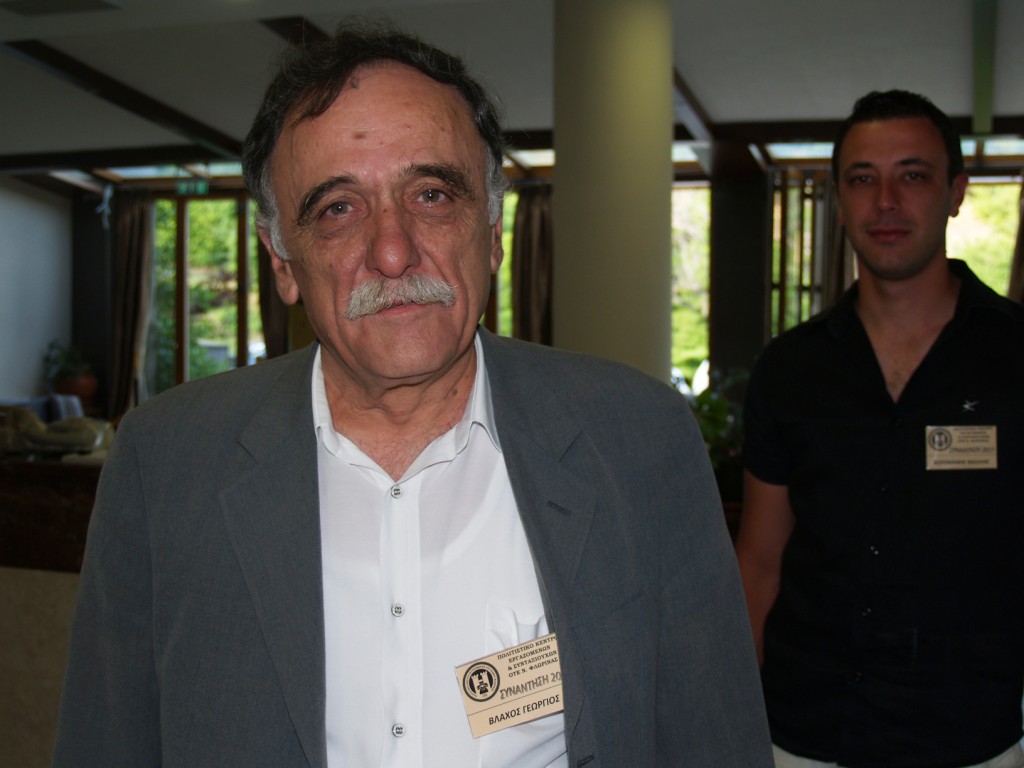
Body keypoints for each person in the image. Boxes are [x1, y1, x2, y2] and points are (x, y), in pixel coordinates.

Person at [51, 20, 771, 768]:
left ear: (493, 231)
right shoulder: (165, 463)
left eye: (431, 194)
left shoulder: (638, 439)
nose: (392, 252)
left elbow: (715, 742)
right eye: (338, 208)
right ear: (282, 262)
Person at [736, 89, 1024, 768]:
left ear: (956, 193)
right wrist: (731, 715)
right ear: (840, 199)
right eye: (863, 179)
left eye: (912, 175)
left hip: (972, 734)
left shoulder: (1016, 355)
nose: (886, 201)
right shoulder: (790, 368)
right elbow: (760, 563)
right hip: (805, 734)